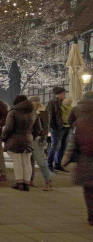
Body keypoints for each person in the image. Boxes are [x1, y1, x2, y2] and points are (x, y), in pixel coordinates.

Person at [64, 91, 93, 225]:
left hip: (85, 157)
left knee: (88, 189)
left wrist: (67, 159)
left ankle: (91, 215)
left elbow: (73, 142)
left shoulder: (78, 117)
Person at [1, 95, 39, 191]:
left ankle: (20, 183)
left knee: (17, 161)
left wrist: (3, 138)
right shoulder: (33, 112)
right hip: (28, 139)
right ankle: (26, 183)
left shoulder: (13, 112)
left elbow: (8, 128)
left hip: (15, 139)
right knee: (27, 161)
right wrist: (31, 136)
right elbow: (38, 128)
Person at [29, 96, 53, 190]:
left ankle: (48, 181)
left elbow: (45, 127)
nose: (31, 103)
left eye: (32, 102)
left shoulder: (43, 112)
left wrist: (43, 139)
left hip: (38, 138)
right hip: (30, 138)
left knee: (40, 161)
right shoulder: (30, 111)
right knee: (30, 161)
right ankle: (30, 180)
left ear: (37, 102)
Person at [47, 86, 68, 171]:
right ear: (58, 94)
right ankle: (49, 164)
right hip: (57, 128)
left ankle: (57, 164)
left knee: (62, 146)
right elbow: (51, 116)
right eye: (63, 93)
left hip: (65, 127)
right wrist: (55, 127)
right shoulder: (53, 102)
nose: (65, 95)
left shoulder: (62, 102)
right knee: (55, 146)